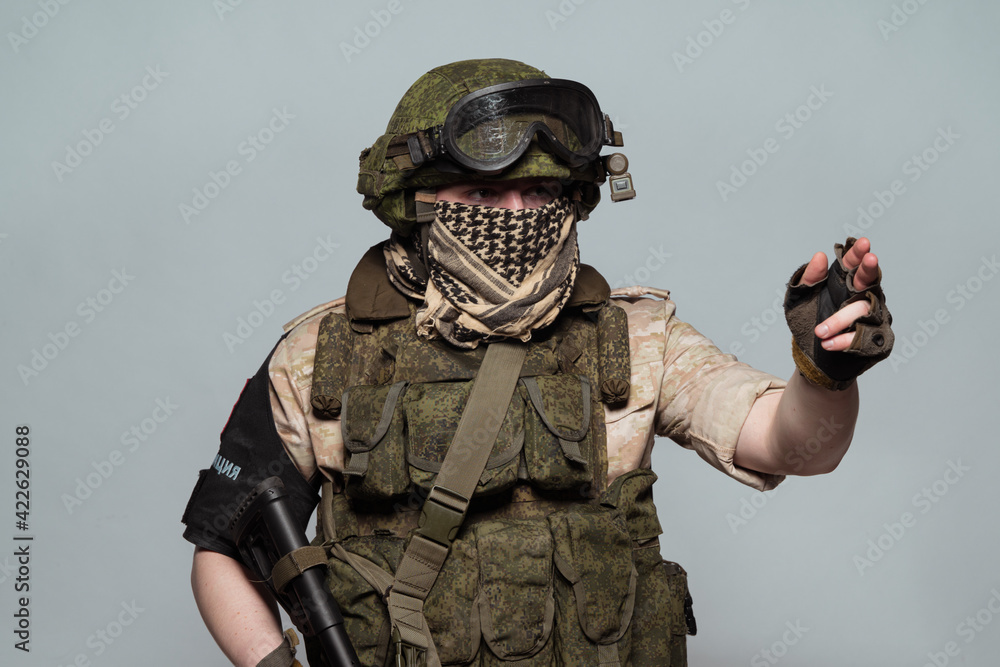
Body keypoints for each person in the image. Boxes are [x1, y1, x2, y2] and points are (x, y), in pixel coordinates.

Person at [182, 58, 893, 667]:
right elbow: (221, 543)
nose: (519, 214)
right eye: (483, 194)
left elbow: (794, 445)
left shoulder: (637, 337)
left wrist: (825, 369)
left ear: (574, 198)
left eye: (542, 192)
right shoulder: (321, 354)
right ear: (417, 204)